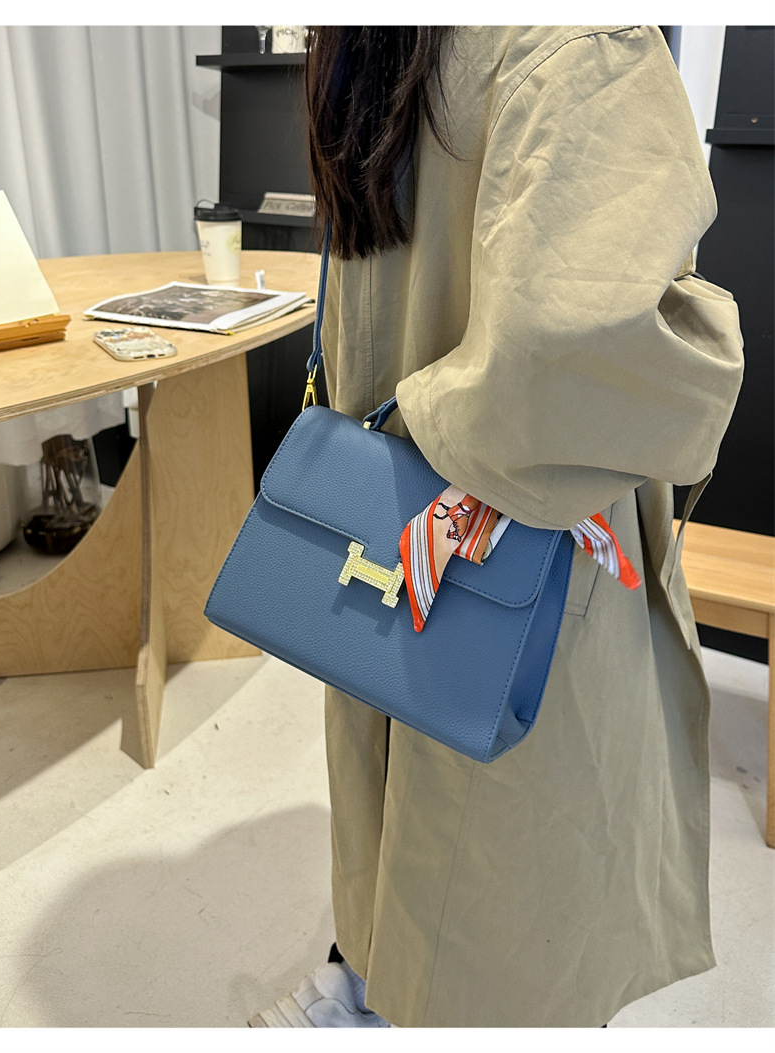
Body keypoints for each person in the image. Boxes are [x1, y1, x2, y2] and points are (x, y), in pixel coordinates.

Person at [248, 25, 744, 1028]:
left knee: (409, 778)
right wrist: (709, 339)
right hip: (518, 523)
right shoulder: (578, 38)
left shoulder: (371, 39)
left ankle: (368, 982)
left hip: (391, 513)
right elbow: (597, 346)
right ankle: (398, 994)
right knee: (509, 865)